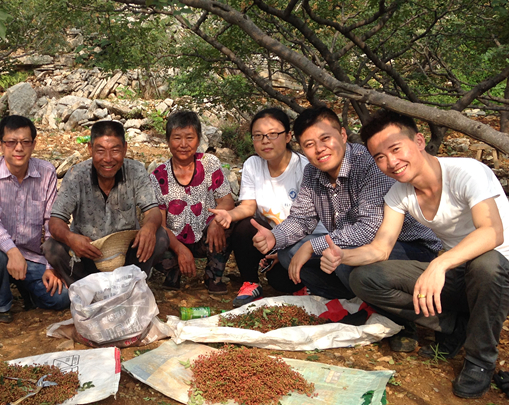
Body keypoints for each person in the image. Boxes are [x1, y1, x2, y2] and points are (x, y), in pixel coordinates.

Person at [323, 110, 509, 398]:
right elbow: (380, 248)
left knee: (487, 263)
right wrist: (342, 257)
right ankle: (453, 325)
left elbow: (492, 233)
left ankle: (480, 360)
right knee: (363, 278)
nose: (391, 162)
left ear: (419, 141)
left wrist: (439, 265)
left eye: (396, 149)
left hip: (498, 273)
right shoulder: (399, 194)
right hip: (459, 272)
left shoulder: (467, 172)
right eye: (380, 157)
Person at [248, 106, 441, 299]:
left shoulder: (369, 163)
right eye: (309, 144)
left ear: (342, 135)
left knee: (340, 257)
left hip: (409, 246)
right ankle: (347, 300)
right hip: (355, 246)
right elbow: (302, 218)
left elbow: (369, 229)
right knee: (288, 252)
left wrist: (313, 246)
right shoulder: (312, 172)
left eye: (325, 139)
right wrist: (275, 236)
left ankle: (381, 306)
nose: (319, 149)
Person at [211, 108, 327, 304]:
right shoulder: (253, 165)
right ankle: (250, 283)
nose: (265, 141)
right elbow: (248, 207)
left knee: (280, 280)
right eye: (258, 136)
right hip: (270, 238)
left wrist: (283, 251)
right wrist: (229, 215)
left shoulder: (305, 168)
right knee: (244, 226)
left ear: (288, 136)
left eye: (272, 134)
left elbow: (311, 223)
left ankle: (310, 282)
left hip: (304, 240)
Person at [43, 120, 169, 286]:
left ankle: (132, 284)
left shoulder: (136, 171)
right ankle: (86, 288)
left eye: (115, 150)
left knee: (160, 237)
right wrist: (70, 238)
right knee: (51, 247)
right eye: (100, 151)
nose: (108, 159)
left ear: (125, 148)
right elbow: (55, 221)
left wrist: (149, 228)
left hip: (125, 254)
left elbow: (152, 210)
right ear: (90, 149)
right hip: (87, 254)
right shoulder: (76, 175)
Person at [0, 115, 68, 323]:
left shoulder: (46, 172)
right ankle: (2, 303)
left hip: (30, 256)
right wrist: (12, 251)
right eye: (11, 142)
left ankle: (28, 290)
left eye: (25, 142)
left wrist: (51, 266)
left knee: (61, 297)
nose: (19, 148)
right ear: (0, 145)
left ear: (34, 144)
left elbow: (51, 221)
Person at [151, 111, 234, 293]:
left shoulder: (209, 163)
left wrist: (216, 222)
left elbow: (227, 201)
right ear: (168, 141)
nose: (183, 144)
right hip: (173, 239)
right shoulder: (158, 176)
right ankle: (172, 272)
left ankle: (213, 275)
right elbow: (161, 224)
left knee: (230, 222)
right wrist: (180, 249)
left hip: (206, 235)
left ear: (198, 140)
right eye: (177, 138)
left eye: (189, 138)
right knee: (153, 235)